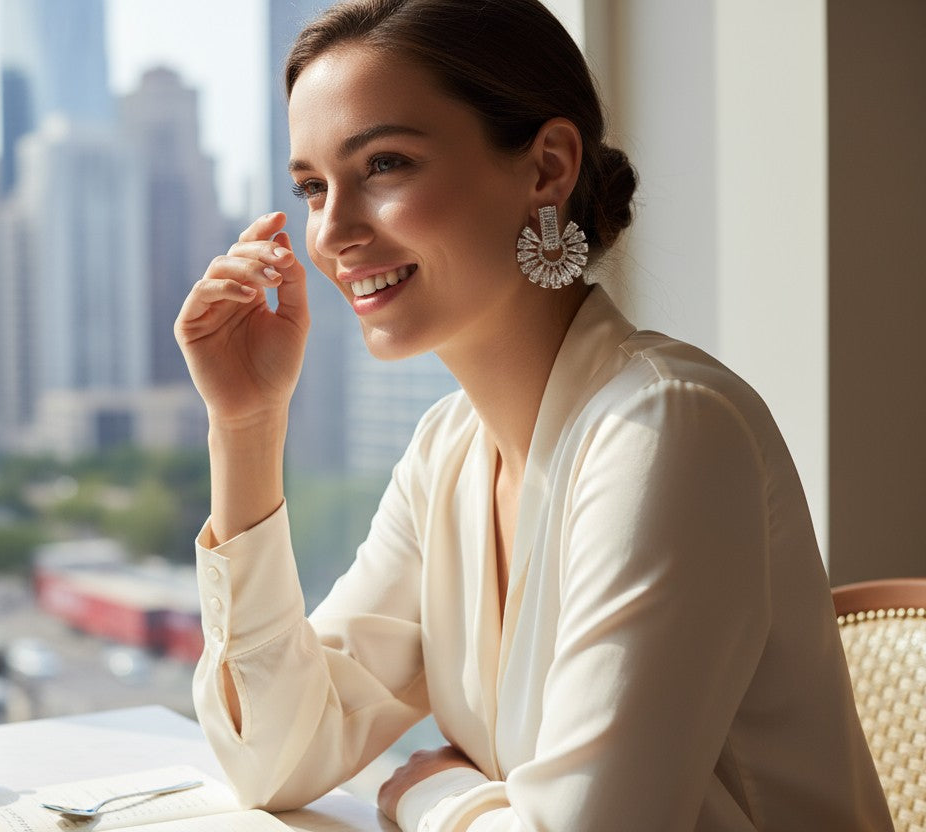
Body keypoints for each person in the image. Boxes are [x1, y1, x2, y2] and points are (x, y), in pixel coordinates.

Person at [173, 1, 891, 829]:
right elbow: (273, 755)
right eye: (310, 187)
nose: (330, 233)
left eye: (384, 164)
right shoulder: (448, 453)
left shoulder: (667, 434)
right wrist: (246, 427)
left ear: (547, 167)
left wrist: (426, 791)